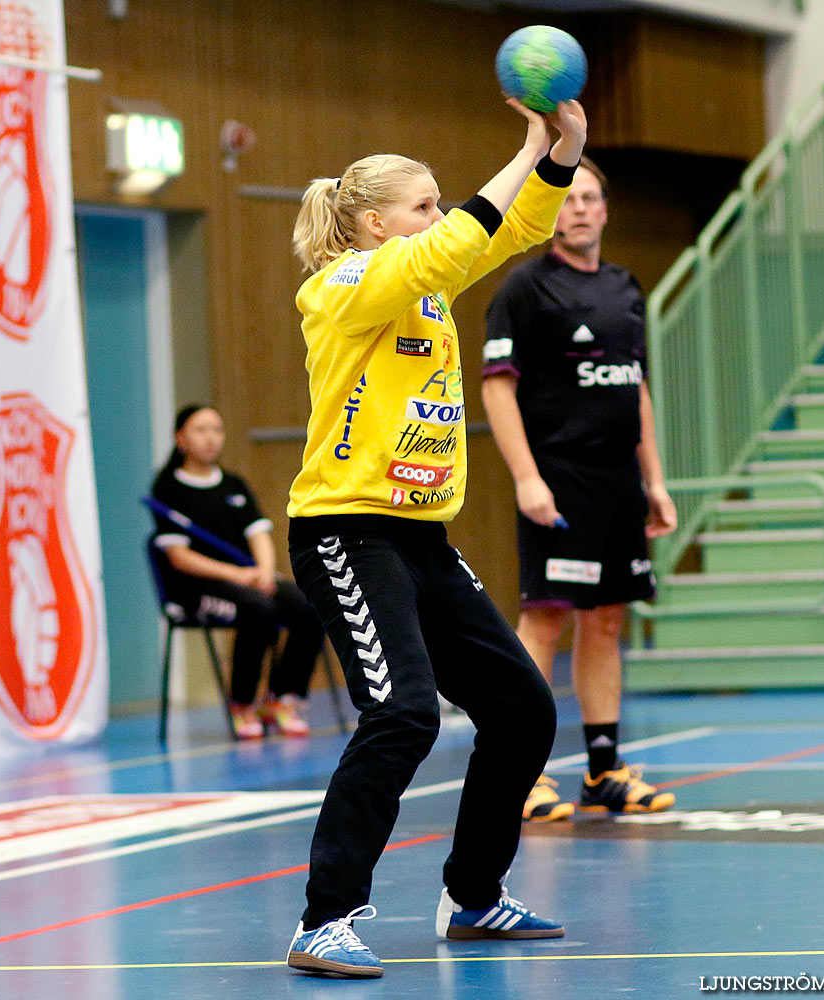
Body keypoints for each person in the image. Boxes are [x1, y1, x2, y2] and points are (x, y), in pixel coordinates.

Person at [283, 97, 587, 979]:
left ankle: (475, 895)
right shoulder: (341, 286)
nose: (439, 215)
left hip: (419, 536)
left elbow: (510, 229)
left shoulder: (421, 281)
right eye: (423, 204)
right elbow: (455, 244)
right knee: (403, 712)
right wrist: (524, 144)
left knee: (522, 708)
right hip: (346, 532)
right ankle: (323, 919)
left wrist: (558, 153)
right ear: (374, 223)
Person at [481, 156, 678, 823]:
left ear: (604, 206)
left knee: (607, 618)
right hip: (557, 481)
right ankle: (523, 773)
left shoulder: (626, 288)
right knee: (546, 618)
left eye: (590, 197)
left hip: (618, 482)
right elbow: (496, 386)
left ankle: (603, 772)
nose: (581, 209)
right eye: (568, 200)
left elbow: (636, 389)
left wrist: (653, 478)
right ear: (550, 211)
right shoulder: (524, 288)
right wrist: (526, 478)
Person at [150, 404, 325, 739]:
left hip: (249, 579)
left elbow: (258, 534)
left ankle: (283, 697)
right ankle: (242, 703)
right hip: (197, 589)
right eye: (201, 430)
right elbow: (179, 557)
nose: (211, 438)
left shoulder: (234, 484)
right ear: (180, 438)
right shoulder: (167, 488)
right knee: (258, 609)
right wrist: (240, 576)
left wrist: (263, 571)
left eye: (217, 430)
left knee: (309, 605)